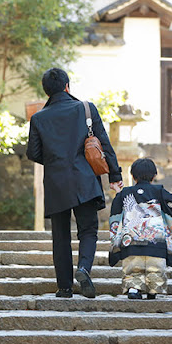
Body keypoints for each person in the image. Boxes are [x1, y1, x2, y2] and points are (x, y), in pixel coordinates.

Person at [27, 68, 123, 298]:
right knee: (88, 230)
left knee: (60, 235)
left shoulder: (38, 118)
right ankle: (83, 269)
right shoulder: (85, 109)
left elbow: (33, 152)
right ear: (67, 86)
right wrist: (115, 176)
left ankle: (64, 287)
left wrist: (53, 159)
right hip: (85, 179)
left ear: (46, 91)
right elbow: (104, 144)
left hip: (56, 182)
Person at [108, 158, 172, 300]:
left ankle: (134, 289)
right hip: (156, 240)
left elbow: (116, 211)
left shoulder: (126, 192)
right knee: (156, 266)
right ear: (154, 176)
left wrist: (118, 192)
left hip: (132, 240)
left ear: (133, 176)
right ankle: (153, 289)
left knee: (133, 266)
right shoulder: (158, 191)